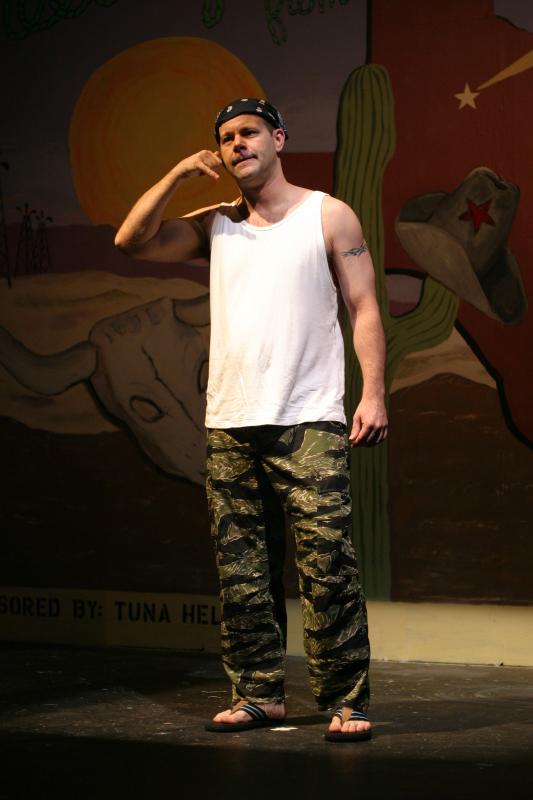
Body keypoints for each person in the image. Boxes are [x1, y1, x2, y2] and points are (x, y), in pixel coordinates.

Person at [115, 98, 388, 742]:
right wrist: (177, 175)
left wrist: (373, 392)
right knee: (243, 572)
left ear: (278, 139)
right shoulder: (216, 224)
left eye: (250, 132)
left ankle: (345, 700)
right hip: (232, 421)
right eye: (226, 137)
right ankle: (259, 693)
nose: (237, 144)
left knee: (327, 566)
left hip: (308, 418)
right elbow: (131, 240)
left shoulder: (328, 214)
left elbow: (365, 305)